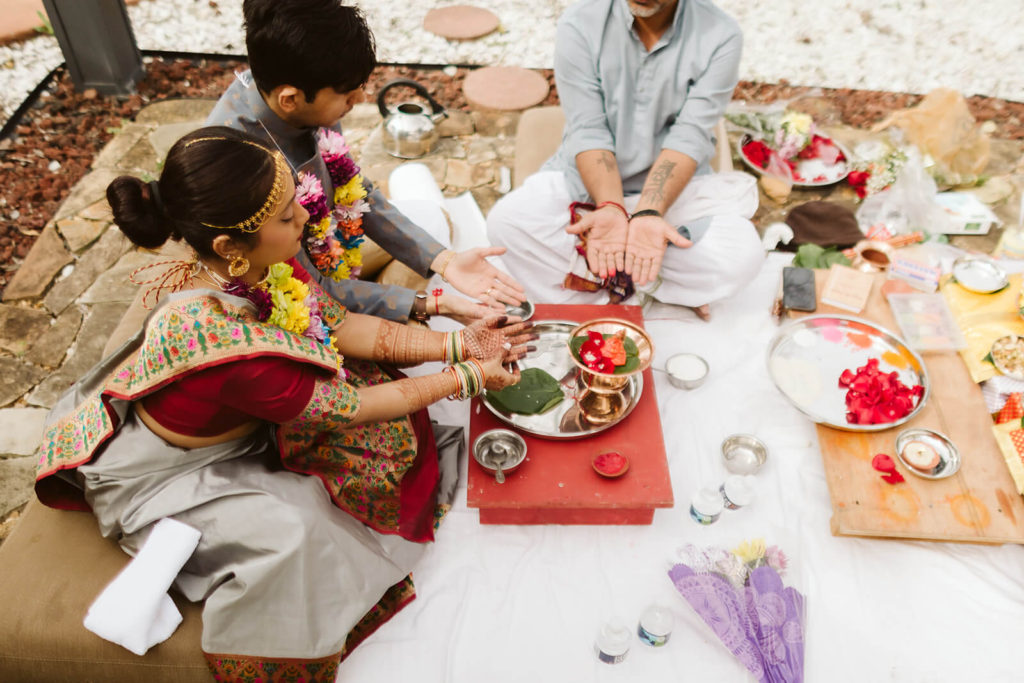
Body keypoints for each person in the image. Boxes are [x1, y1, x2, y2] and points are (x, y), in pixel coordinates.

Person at [36, 128, 534, 681]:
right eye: (284, 216)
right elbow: (351, 408)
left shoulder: (265, 264)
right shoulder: (233, 349)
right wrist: (465, 376)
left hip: (253, 413)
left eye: (294, 199)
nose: (304, 217)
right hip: (174, 471)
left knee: (392, 421)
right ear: (228, 246)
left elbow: (345, 328)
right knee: (299, 536)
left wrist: (458, 341)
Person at [206, 0, 526, 325]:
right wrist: (428, 304)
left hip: (332, 247)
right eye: (347, 94)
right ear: (290, 99)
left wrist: (446, 261)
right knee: (411, 325)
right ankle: (394, 321)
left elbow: (356, 190)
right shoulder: (240, 165)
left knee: (433, 222)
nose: (360, 100)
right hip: (290, 291)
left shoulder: (292, 84)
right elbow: (313, 290)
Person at [486, 0, 763, 319]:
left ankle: (603, 277)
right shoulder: (579, 23)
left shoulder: (721, 35)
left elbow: (689, 135)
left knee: (742, 253)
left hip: (673, 194)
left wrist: (647, 213)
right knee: (507, 222)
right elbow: (588, 129)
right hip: (588, 187)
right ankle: (636, 285)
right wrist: (612, 208)